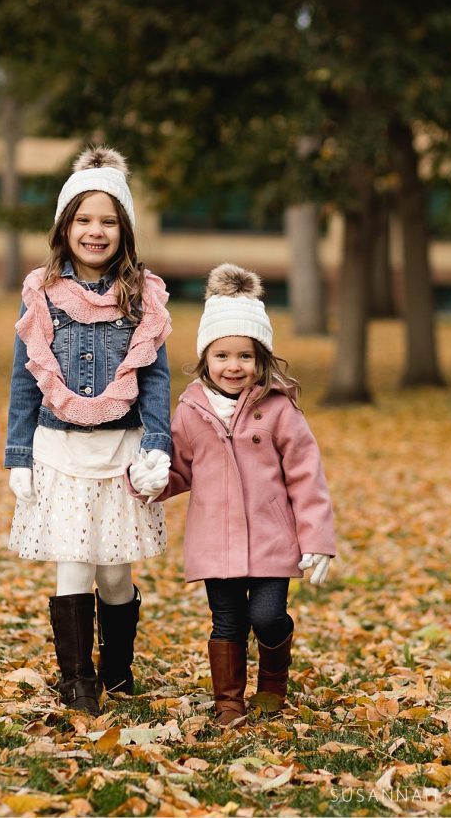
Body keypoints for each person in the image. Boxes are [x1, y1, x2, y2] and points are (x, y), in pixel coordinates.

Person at [4, 146, 172, 715]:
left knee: (115, 573)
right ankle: (76, 680)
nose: (95, 231)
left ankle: (117, 669)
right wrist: (18, 454)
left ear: (124, 230)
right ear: (64, 227)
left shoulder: (141, 297)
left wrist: (157, 443)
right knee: (73, 562)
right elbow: (25, 380)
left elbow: (155, 379)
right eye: (83, 219)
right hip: (59, 449)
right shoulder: (42, 294)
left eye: (107, 221)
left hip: (120, 450)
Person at [130, 263, 335, 727]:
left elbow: (306, 476)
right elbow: (178, 469)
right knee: (227, 622)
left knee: (266, 616)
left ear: (261, 359)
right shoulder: (190, 412)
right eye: (222, 356)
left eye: (245, 356)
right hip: (215, 541)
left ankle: (273, 681)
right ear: (206, 359)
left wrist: (317, 539)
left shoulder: (279, 410)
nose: (233, 366)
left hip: (270, 540)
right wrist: (149, 480)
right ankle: (229, 703)